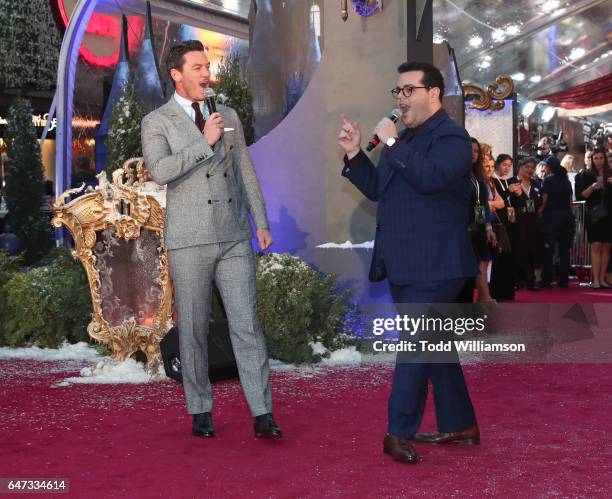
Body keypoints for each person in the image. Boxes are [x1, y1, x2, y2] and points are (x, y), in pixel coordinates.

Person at [338, 61, 479, 464]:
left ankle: (398, 431)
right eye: (397, 92)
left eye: (408, 91)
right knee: (434, 346)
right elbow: (382, 189)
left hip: (437, 264)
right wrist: (354, 154)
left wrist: (394, 144)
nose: (401, 99)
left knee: (417, 346)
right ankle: (461, 424)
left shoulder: (451, 137)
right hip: (405, 261)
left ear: (433, 93)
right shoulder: (407, 139)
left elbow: (432, 178)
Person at [141, 40, 281, 439]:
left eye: (208, 65)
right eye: (198, 67)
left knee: (247, 324)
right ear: (176, 74)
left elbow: (245, 171)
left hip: (234, 234)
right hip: (189, 239)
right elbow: (162, 170)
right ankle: (200, 407)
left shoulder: (228, 113)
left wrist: (261, 221)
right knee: (195, 330)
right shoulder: (158, 121)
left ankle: (262, 413)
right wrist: (204, 142)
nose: (206, 73)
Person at [456, 138, 496, 303]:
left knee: (475, 271)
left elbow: (484, 205)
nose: (473, 154)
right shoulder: (457, 175)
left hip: (478, 231)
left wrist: (488, 228)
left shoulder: (479, 177)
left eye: (476, 151)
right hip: (461, 231)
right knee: (463, 276)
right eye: (469, 150)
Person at [574, 147, 612, 288]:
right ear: (591, 159)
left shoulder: (610, 173)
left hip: (609, 213)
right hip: (594, 214)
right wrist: (592, 187)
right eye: (595, 158)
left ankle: (602, 279)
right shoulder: (585, 175)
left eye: (601, 158)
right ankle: (595, 280)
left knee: (607, 246)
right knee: (596, 245)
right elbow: (581, 195)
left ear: (605, 159)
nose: (598, 161)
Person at [509, 157, 544, 290]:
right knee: (519, 249)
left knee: (533, 249)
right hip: (517, 222)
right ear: (520, 167)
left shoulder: (536, 184)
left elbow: (540, 202)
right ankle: (518, 280)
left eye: (532, 167)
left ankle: (531, 280)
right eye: (527, 167)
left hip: (533, 222)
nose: (530, 170)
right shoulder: (511, 182)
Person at [539, 155, 573, 288]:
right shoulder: (566, 180)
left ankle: (547, 279)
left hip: (552, 217)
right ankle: (564, 279)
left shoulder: (547, 180)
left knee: (549, 249)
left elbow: (545, 200)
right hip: (567, 217)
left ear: (549, 167)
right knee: (565, 250)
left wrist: (539, 212)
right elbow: (570, 202)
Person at [489, 154, 516, 300]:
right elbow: (499, 201)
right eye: (504, 165)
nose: (506, 168)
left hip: (509, 221)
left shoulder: (508, 181)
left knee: (507, 255)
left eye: (509, 166)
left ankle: (507, 290)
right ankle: (496, 291)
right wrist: (509, 191)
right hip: (497, 222)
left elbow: (509, 202)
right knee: (498, 256)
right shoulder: (492, 181)